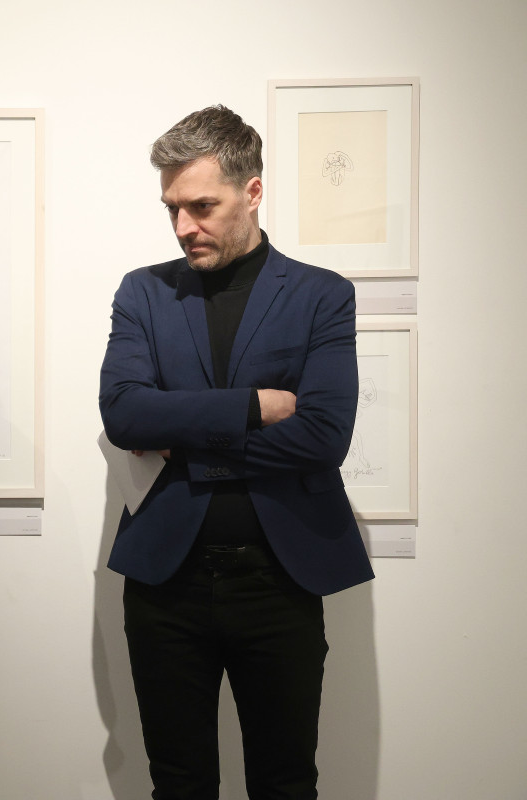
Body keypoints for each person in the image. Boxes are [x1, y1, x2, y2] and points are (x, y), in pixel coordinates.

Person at [99, 106, 374, 799]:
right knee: (178, 784)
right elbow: (124, 413)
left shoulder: (321, 295)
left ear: (252, 192)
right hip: (166, 582)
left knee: (285, 783)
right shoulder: (144, 291)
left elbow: (324, 435)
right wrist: (252, 406)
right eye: (172, 208)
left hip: (279, 581)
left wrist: (185, 442)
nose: (183, 226)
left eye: (202, 206)